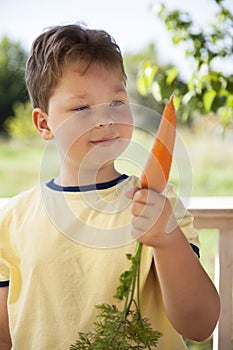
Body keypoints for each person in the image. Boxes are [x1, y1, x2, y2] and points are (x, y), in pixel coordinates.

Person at [0, 23, 220, 350]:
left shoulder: (158, 204)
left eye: (117, 102)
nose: (106, 119)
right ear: (44, 124)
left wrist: (168, 239)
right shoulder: (12, 219)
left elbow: (200, 324)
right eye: (82, 108)